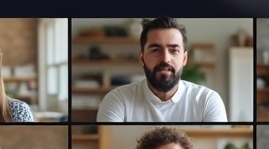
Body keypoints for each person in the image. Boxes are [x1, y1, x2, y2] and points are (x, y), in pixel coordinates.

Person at [96, 17, 228, 122]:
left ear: (184, 58)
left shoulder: (207, 101)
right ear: (141, 58)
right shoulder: (117, 101)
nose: (165, 59)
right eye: (155, 50)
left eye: (174, 50)